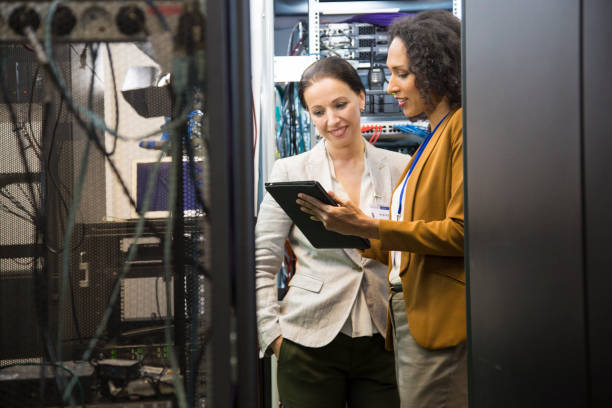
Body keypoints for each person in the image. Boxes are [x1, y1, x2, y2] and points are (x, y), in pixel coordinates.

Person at [297, 11, 466, 408]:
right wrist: (350, 230)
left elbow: (461, 232)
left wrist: (370, 227)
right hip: (409, 318)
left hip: (437, 320)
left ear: (436, 70)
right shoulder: (432, 138)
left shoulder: (459, 128)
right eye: (389, 73)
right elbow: (408, 242)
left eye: (402, 74)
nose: (390, 87)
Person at [255, 56, 409, 408]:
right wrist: (272, 333)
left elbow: (411, 249)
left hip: (384, 339)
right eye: (319, 111)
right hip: (308, 339)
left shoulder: (400, 169)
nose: (332, 120)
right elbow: (262, 259)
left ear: (362, 98)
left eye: (340, 105)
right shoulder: (290, 171)